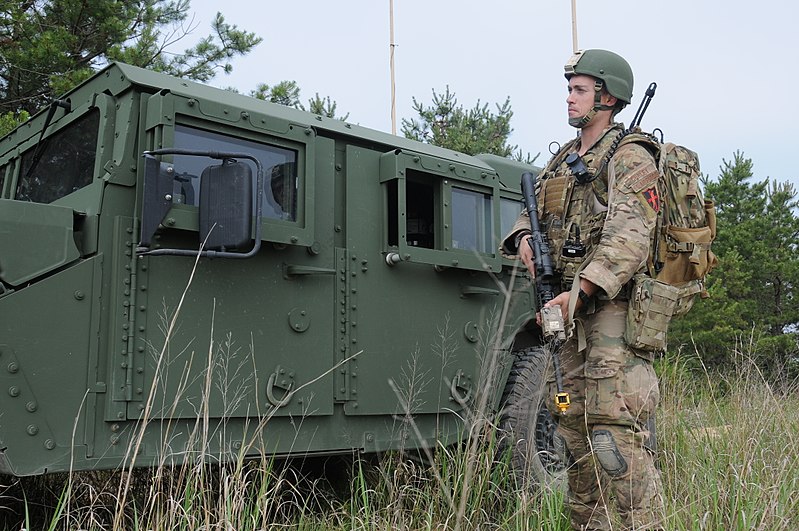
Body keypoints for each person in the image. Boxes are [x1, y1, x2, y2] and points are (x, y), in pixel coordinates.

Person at [501, 49, 665, 530]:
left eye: (579, 89)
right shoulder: (564, 159)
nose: (569, 97)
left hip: (608, 309)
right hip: (564, 311)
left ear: (607, 97)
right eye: (569, 88)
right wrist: (525, 239)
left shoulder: (631, 157)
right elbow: (529, 213)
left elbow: (628, 241)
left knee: (612, 432)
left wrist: (578, 296)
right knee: (571, 427)